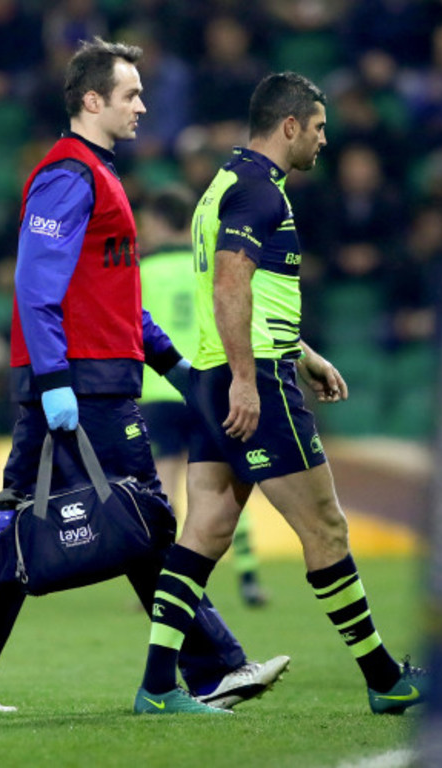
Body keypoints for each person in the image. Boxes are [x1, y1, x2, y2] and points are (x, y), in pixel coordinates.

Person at [0, 38, 289, 713]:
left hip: (94, 372)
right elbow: (35, 285)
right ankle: (211, 667)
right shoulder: (68, 175)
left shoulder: (100, 174)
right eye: (131, 94)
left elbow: (113, 295)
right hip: (82, 382)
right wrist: (56, 380)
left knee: (18, 520)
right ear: (93, 101)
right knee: (143, 513)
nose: (144, 105)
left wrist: (172, 364)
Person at [134, 71, 427, 715]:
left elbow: (256, 296)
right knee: (325, 526)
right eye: (318, 127)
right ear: (288, 125)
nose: (324, 140)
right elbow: (231, 288)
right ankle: (385, 678)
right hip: (251, 380)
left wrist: (308, 354)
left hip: (215, 379)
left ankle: (157, 686)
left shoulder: (221, 186)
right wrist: (251, 378)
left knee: (206, 530)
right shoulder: (259, 194)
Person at [138, 184, 269, 607]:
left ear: (158, 221)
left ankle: (160, 580)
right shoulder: (209, 267)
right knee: (228, 480)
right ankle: (248, 574)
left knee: (165, 487)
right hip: (208, 384)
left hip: (159, 388)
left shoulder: (142, 271)